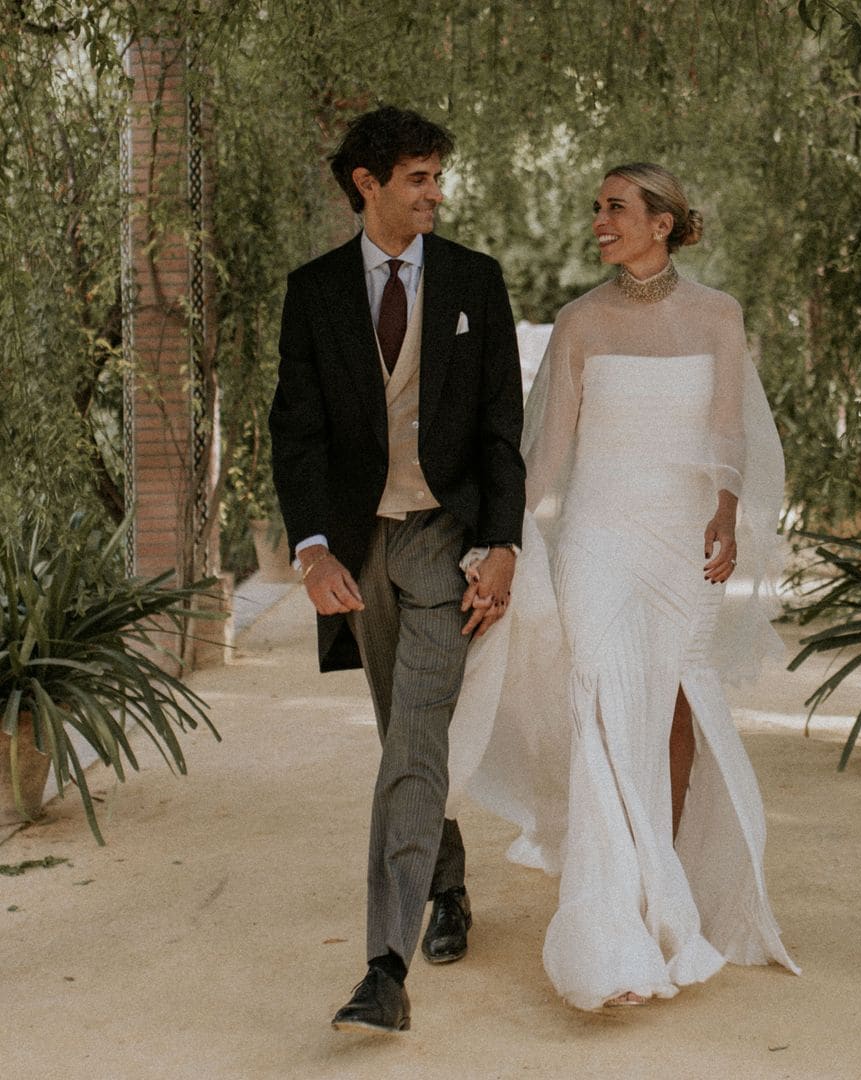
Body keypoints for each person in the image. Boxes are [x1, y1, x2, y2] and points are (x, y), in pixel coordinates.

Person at [453, 162, 799, 1010]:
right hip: (599, 536)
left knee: (676, 696)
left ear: (664, 223)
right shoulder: (579, 323)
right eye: (598, 207)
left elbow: (728, 430)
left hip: (683, 536)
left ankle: (664, 881)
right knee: (605, 696)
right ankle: (610, 920)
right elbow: (549, 451)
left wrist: (724, 511)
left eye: (616, 208)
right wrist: (505, 540)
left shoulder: (719, 315)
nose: (600, 220)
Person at [269, 105, 525, 1034]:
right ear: (366, 184)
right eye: (417, 177)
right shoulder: (314, 292)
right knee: (401, 738)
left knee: (416, 735)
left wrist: (502, 546)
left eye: (437, 176)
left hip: (441, 542)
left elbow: (502, 428)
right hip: (356, 550)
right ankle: (446, 884)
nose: (435, 193)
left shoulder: (475, 281)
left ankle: (384, 967)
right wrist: (312, 551)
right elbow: (295, 435)